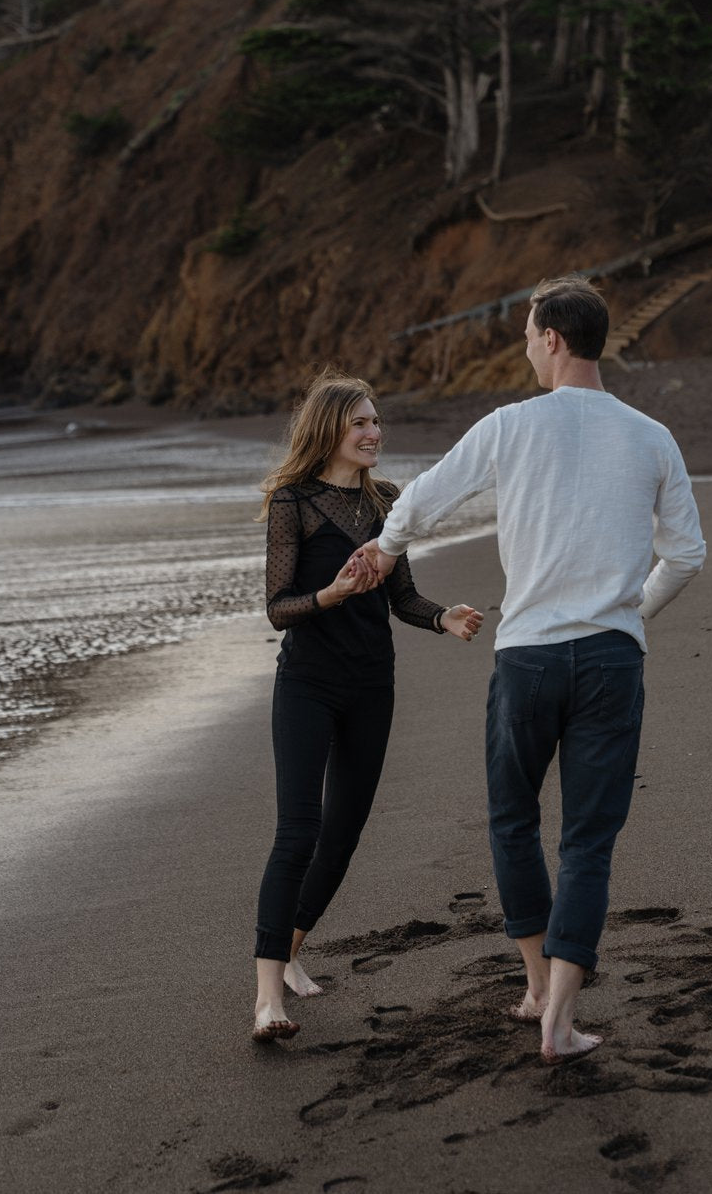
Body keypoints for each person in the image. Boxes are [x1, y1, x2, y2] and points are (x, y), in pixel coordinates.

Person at [360, 275, 705, 1063]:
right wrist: (632, 614)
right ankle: (560, 1018)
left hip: (528, 657)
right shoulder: (651, 434)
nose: (524, 349)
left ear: (552, 337)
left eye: (526, 335)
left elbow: (427, 496)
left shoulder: (511, 424)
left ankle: (536, 982)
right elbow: (687, 554)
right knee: (588, 840)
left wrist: (385, 547)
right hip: (611, 658)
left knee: (513, 819)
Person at [252, 369, 483, 1043]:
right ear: (330, 429)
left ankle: (290, 950)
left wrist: (443, 618)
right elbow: (278, 608)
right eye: (361, 423)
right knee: (298, 832)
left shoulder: (387, 501)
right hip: (307, 684)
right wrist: (331, 594)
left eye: (376, 421)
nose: (374, 433)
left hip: (371, 686)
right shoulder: (294, 502)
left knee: (342, 834)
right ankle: (267, 998)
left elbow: (402, 596)